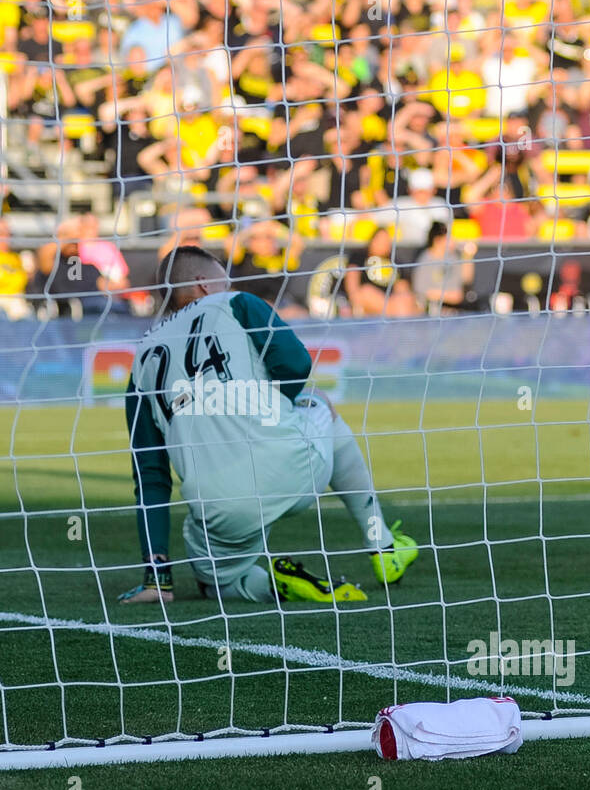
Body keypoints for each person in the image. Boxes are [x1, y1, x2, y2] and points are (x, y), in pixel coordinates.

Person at [119, 245, 418, 605]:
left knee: (216, 580)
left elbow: (151, 477)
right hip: (293, 466)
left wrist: (158, 578)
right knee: (319, 401)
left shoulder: (141, 361)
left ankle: (264, 585)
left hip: (220, 505)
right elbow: (296, 365)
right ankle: (382, 545)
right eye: (223, 278)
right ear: (202, 284)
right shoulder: (237, 303)